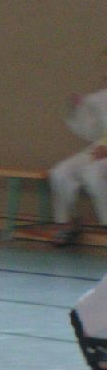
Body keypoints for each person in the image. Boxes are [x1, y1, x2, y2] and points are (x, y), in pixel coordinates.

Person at [48, 48, 107, 245]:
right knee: (60, 172)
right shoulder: (102, 97)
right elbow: (91, 129)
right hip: (100, 148)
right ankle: (68, 223)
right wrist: (77, 108)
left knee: (93, 173)